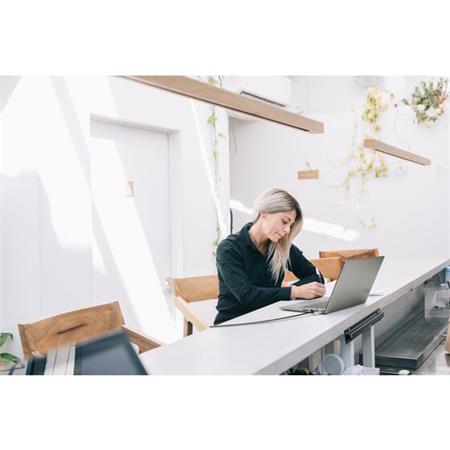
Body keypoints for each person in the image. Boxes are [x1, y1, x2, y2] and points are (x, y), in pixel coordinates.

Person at [214, 188, 325, 325]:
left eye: (290, 225)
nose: (287, 230)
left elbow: (316, 276)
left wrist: (294, 291)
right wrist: (293, 292)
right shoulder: (229, 248)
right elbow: (246, 295)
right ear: (264, 213)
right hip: (233, 325)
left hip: (270, 319)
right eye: (284, 221)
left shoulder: (281, 246)